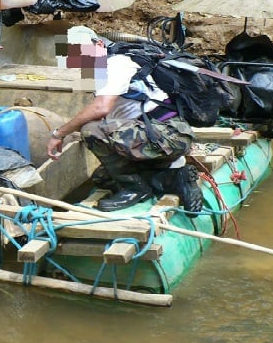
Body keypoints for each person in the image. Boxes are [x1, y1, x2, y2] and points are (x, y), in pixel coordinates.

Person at [46, 32, 200, 212]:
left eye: (82, 54)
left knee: (90, 130)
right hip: (153, 137)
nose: (80, 62)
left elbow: (100, 109)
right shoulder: (98, 71)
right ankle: (173, 179)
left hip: (168, 137)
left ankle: (136, 189)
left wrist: (59, 133)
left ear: (99, 46)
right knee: (103, 178)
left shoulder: (116, 64)